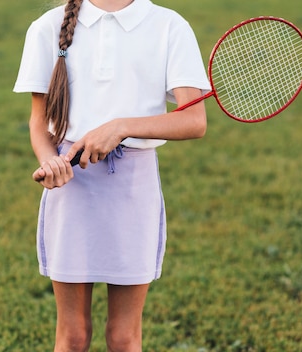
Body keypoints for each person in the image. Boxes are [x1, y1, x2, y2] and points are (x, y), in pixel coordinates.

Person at [13, 0, 211, 350]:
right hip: (72, 189)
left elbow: (194, 121)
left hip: (134, 189)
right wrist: (50, 160)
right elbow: (39, 121)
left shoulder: (169, 26)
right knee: (72, 335)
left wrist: (120, 127)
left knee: (123, 336)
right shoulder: (47, 27)